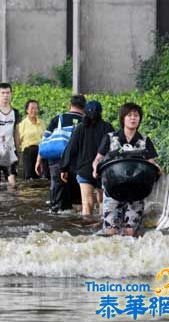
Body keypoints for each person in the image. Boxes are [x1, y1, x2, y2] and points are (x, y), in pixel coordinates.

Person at [92, 102, 161, 236]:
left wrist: (158, 169)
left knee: (130, 232)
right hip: (112, 189)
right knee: (110, 231)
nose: (133, 118)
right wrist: (95, 169)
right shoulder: (110, 138)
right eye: (129, 115)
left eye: (136, 115)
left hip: (137, 191)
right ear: (123, 118)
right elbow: (97, 160)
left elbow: (152, 163)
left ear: (140, 119)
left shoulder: (145, 140)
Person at [60, 100, 114, 216]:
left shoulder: (80, 128)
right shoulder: (107, 127)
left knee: (87, 203)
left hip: (84, 170)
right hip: (103, 169)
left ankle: (86, 229)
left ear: (85, 113)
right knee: (102, 201)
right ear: (101, 113)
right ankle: (102, 226)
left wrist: (64, 168)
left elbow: (70, 148)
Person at [35, 94, 85, 213]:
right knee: (77, 201)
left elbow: (45, 140)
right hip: (78, 163)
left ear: (70, 105)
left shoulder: (58, 118)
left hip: (57, 161)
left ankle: (57, 216)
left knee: (57, 197)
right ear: (84, 107)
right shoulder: (86, 121)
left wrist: (39, 160)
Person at [0, 83, 21, 187]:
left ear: (11, 94)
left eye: (8, 93)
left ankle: (11, 201)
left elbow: (16, 131)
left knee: (12, 182)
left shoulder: (15, 112)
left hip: (10, 150)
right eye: (3, 93)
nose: (5, 95)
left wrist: (18, 150)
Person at [18, 99, 46, 179]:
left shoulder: (42, 123)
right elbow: (18, 141)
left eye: (36, 108)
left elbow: (46, 138)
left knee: (43, 177)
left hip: (41, 151)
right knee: (30, 178)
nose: (34, 110)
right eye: (32, 108)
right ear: (27, 110)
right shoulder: (22, 124)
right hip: (28, 152)